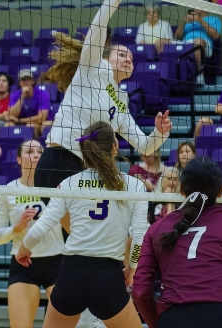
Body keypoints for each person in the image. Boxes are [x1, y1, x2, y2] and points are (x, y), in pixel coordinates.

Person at [34, 0, 171, 189]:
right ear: (106, 58)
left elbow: (145, 146)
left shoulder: (121, 102)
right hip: (60, 160)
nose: (128, 59)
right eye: (123, 55)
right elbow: (98, 27)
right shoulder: (92, 68)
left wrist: (160, 133)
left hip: (89, 171)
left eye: (132, 58)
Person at [16, 122, 148, 328]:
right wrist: (132, 268)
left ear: (85, 149)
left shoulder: (69, 183)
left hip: (72, 274)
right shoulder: (134, 185)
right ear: (115, 147)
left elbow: (43, 225)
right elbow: (139, 237)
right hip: (108, 276)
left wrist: (23, 249)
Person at [132, 158, 222, 328]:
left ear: (182, 191)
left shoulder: (157, 228)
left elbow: (140, 291)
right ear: (220, 191)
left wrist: (157, 323)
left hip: (173, 318)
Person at [0, 139, 64, 328]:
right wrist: (15, 228)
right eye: (29, 151)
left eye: (40, 151)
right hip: (22, 264)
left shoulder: (57, 187)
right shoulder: (8, 190)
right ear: (18, 159)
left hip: (56, 261)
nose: (35, 155)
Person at [174, 0, 222, 84]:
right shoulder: (188, 20)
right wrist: (184, 22)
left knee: (198, 42)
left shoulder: (214, 19)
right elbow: (177, 37)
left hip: (204, 45)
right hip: (185, 44)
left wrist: (200, 21)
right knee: (163, 43)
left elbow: (216, 36)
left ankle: (199, 74)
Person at [7, 68, 52, 138]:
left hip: (41, 122)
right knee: (8, 124)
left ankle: (35, 147)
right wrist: (22, 97)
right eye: (23, 80)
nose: (26, 82)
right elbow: (11, 115)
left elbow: (41, 118)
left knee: (30, 125)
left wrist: (20, 120)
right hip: (21, 123)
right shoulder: (14, 95)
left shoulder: (43, 94)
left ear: (33, 81)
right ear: (19, 83)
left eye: (28, 79)